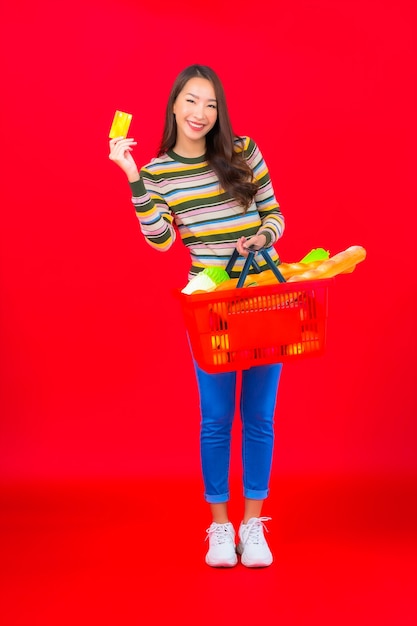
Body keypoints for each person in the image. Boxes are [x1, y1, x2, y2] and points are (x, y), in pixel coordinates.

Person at [109, 64, 285, 568]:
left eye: (210, 104)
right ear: (174, 105)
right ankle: (218, 526)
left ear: (219, 110)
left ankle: (253, 525)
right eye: (191, 101)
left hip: (264, 297)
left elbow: (275, 214)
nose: (200, 113)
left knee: (260, 417)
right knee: (215, 418)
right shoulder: (160, 171)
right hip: (209, 306)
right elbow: (162, 241)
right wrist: (133, 178)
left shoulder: (243, 151)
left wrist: (261, 237)